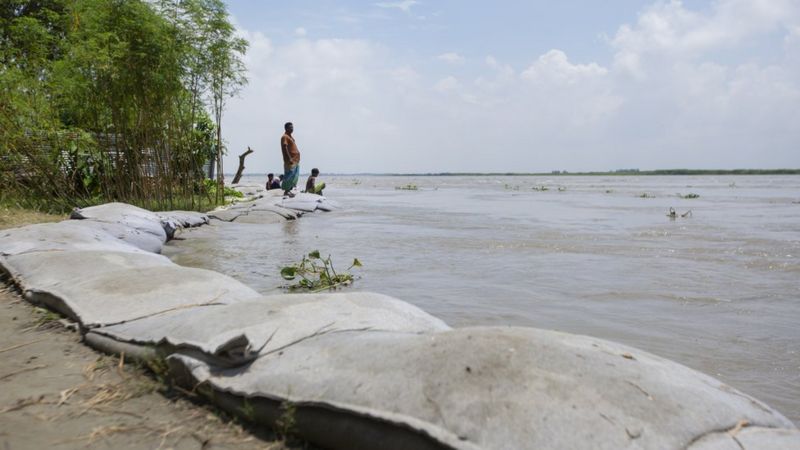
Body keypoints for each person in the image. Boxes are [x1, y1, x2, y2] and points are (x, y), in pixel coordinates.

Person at [280, 122, 301, 197]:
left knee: (294, 176)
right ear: (286, 128)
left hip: (295, 160)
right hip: (290, 160)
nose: (292, 129)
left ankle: (289, 190)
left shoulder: (291, 137)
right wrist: (289, 158)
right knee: (289, 175)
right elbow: (285, 147)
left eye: (292, 127)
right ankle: (286, 191)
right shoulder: (285, 136)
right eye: (290, 127)